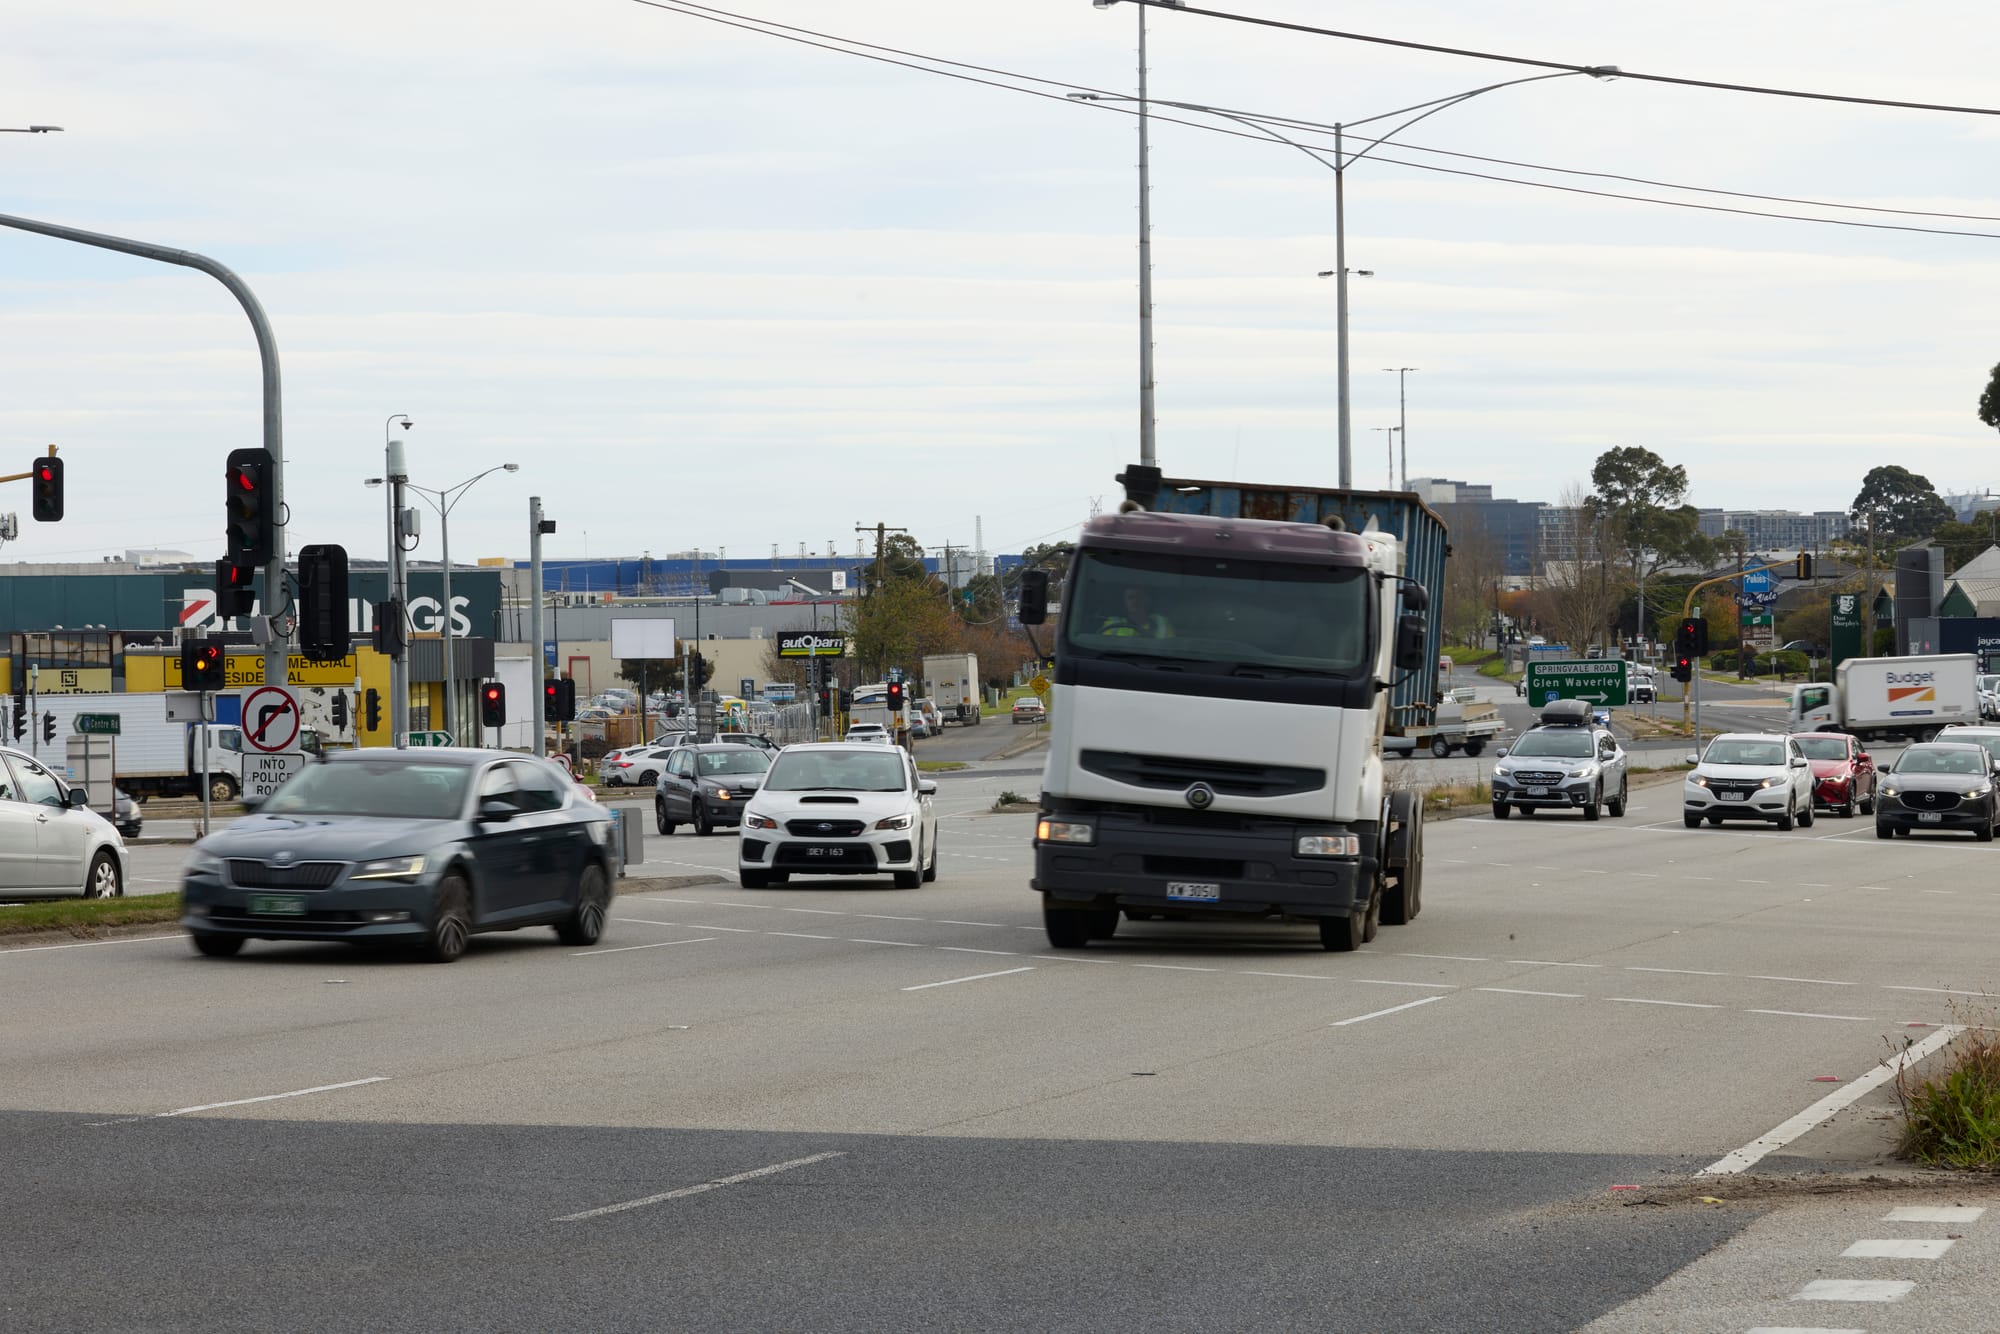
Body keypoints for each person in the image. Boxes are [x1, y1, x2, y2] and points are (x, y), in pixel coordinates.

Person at [1100, 584, 1174, 638]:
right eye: (1130, 598)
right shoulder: (1112, 625)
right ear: (1125, 602)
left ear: (1147, 601)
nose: (1135, 601)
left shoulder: (1162, 624)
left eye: (1139, 597)